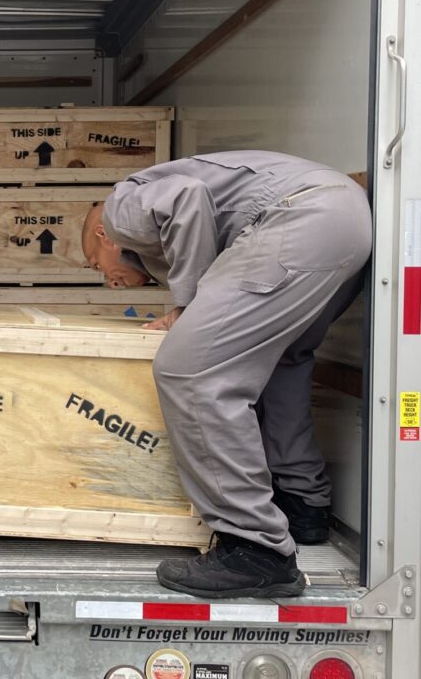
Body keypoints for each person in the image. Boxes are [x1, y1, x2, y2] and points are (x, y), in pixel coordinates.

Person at [81, 151, 372, 598]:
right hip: (349, 220)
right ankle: (302, 503)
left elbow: (187, 196)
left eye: (95, 264)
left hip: (300, 221)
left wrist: (184, 306)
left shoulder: (120, 207)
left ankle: (255, 547)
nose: (109, 281)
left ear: (102, 235)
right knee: (282, 362)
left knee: (190, 371)